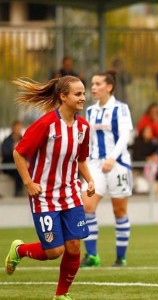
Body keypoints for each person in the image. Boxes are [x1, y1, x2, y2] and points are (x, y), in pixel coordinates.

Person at [5, 76, 95, 300]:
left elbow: (81, 160)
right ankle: (19, 250)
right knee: (54, 251)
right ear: (63, 97)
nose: (83, 97)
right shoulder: (46, 124)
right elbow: (19, 152)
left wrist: (89, 180)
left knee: (74, 247)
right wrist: (28, 182)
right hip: (44, 196)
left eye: (84, 93)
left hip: (71, 194)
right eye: (78, 94)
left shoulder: (83, 127)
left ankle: (61, 295)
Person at [80, 70, 133, 268]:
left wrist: (112, 158)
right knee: (87, 207)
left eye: (97, 84)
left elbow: (124, 135)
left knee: (119, 211)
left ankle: (120, 258)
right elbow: (89, 140)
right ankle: (92, 256)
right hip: (95, 165)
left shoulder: (121, 108)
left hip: (118, 165)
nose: (93, 87)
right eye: (92, 84)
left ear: (109, 87)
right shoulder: (91, 111)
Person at [1, 120, 24, 197]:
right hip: (9, 165)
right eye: (17, 128)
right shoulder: (7, 141)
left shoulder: (23, 139)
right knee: (18, 170)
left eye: (20, 128)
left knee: (22, 168)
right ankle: (18, 191)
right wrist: (13, 150)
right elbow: (5, 154)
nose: (18, 130)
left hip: (20, 163)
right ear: (13, 128)